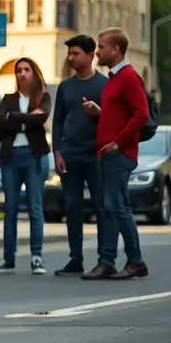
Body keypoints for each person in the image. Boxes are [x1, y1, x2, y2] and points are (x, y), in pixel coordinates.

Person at [81, 27, 150, 280]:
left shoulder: (130, 77)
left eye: (100, 47)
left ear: (116, 50)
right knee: (110, 206)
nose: (97, 51)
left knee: (115, 205)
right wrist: (100, 113)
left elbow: (141, 114)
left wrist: (119, 143)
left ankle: (136, 261)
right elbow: (121, 114)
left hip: (119, 154)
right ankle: (107, 261)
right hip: (107, 153)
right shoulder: (114, 78)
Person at [0, 58, 51, 274]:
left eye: (26, 70)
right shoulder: (8, 99)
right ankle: (8, 259)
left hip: (34, 156)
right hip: (11, 156)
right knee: (10, 208)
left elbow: (40, 119)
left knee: (35, 207)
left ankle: (36, 257)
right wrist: (23, 119)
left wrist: (13, 118)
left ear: (34, 73)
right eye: (18, 71)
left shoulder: (42, 97)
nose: (22, 74)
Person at [51, 35, 107, 276]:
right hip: (70, 155)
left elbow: (114, 120)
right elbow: (58, 122)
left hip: (96, 155)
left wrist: (99, 113)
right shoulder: (66, 87)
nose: (71, 58)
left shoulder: (104, 85)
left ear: (90, 55)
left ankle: (105, 258)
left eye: (76, 53)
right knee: (72, 206)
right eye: (70, 54)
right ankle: (76, 258)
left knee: (101, 206)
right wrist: (57, 152)